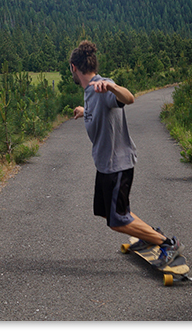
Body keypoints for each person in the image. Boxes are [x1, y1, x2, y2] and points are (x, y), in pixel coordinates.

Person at [69, 40, 184, 267]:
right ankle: (148, 234)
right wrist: (85, 112)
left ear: (73, 67)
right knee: (108, 213)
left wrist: (111, 87)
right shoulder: (90, 91)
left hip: (117, 165)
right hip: (105, 165)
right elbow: (101, 110)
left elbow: (128, 98)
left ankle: (167, 243)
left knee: (118, 220)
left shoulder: (102, 85)